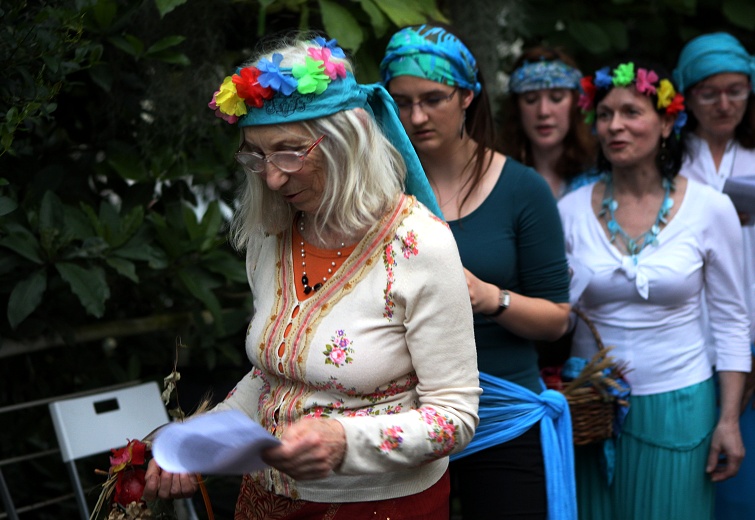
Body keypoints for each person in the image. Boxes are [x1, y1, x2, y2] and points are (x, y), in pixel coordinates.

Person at [142, 34, 481, 519]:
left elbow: (454, 417)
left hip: (379, 508)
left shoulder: (418, 244)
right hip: (263, 503)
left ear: (347, 143)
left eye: (290, 153)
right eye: (256, 156)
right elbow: (274, 379)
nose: (272, 178)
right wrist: (196, 440)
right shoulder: (272, 235)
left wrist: (346, 440)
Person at [381, 24, 575, 520]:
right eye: (402, 102)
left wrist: (491, 297)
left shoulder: (522, 189)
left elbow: (557, 319)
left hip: (503, 416)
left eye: (433, 99)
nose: (416, 117)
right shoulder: (380, 194)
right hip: (405, 420)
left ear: (468, 95)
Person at [559, 60, 751, 520]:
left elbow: (732, 320)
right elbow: (555, 314)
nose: (614, 125)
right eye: (605, 114)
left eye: (631, 112)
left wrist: (729, 420)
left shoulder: (710, 208)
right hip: (592, 409)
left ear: (667, 123)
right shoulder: (569, 211)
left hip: (680, 405)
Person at [672, 31, 755, 519]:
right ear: (686, 96)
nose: (724, 104)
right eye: (709, 93)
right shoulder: (671, 161)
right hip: (690, 343)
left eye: (736, 91)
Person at [498, 46, 597, 199]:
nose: (543, 111)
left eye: (556, 98)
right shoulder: (497, 180)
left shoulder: (601, 179)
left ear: (575, 104)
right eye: (531, 99)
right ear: (516, 108)